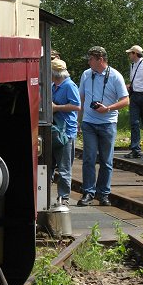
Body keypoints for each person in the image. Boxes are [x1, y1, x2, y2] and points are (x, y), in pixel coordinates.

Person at [77, 46, 129, 207]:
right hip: (89, 123)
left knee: (106, 161)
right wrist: (79, 121)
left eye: (91, 58)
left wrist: (108, 108)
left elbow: (126, 100)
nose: (88, 61)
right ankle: (88, 192)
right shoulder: (86, 75)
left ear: (100, 59)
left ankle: (103, 194)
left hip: (108, 123)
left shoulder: (115, 76)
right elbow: (82, 98)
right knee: (89, 158)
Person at [51, 58, 81, 205]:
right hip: (53, 129)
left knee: (64, 168)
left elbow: (76, 106)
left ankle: (64, 198)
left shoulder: (69, 86)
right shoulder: (52, 86)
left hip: (66, 132)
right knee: (48, 165)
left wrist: (56, 108)